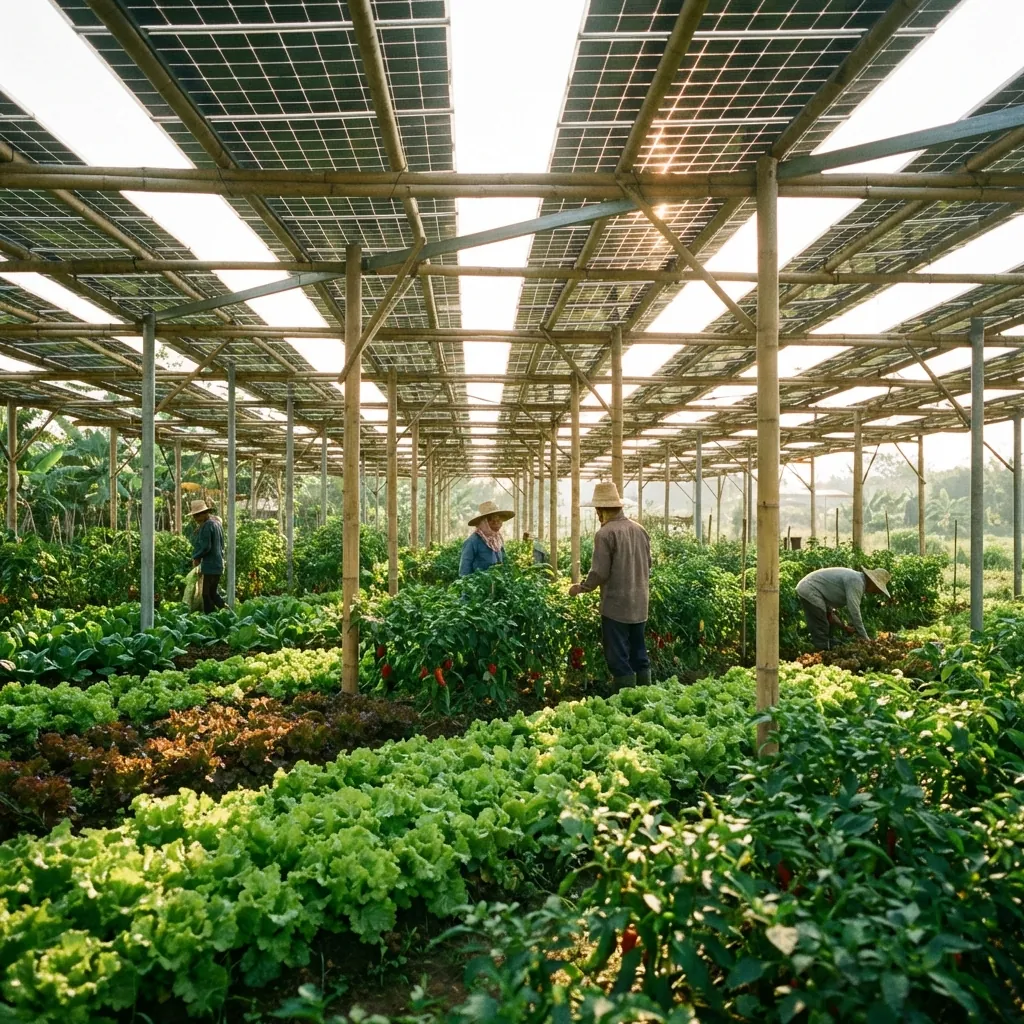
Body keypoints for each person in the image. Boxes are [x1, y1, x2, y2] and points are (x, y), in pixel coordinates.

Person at [569, 481, 652, 690]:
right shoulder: (640, 530)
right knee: (639, 654)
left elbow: (600, 572)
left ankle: (626, 702)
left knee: (618, 658)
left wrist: (581, 588)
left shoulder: (605, 534)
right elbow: (648, 564)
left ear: (600, 511)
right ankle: (646, 698)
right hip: (640, 604)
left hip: (616, 606)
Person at [795, 566, 891, 651]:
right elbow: (854, 611)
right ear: (872, 582)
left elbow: (831, 616)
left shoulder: (857, 580)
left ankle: (828, 650)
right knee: (821, 625)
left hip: (814, 590)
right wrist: (865, 637)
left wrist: (844, 627)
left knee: (829, 622)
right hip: (810, 589)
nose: (875, 592)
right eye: (877, 588)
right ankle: (821, 655)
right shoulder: (856, 581)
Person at [190, 499, 226, 612]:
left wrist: (196, 556)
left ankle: (210, 618)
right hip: (218, 564)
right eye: (194, 516)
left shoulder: (207, 526)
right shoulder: (216, 524)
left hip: (210, 565)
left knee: (206, 595)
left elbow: (206, 547)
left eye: (197, 515)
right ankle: (229, 612)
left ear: (205, 513)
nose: (195, 519)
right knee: (212, 594)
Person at [459, 500, 514, 576]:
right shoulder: (473, 541)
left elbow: (504, 561)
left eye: (499, 519)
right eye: (492, 519)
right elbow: (464, 571)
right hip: (480, 585)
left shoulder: (498, 539)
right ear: (484, 522)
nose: (497, 522)